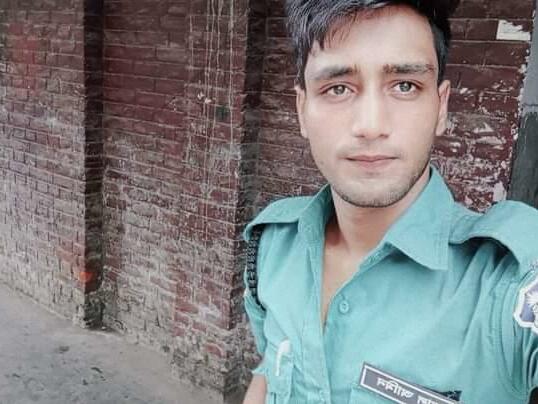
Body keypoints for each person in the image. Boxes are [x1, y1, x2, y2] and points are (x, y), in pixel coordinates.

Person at [242, 0, 538, 403]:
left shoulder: (508, 280)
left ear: (441, 106)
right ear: (302, 110)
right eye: (338, 88)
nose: (371, 126)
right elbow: (269, 368)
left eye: (405, 86)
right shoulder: (272, 245)